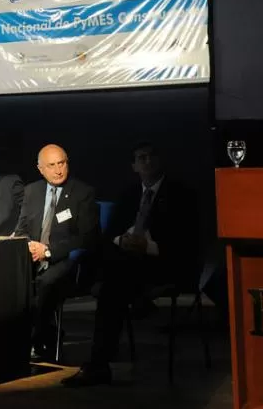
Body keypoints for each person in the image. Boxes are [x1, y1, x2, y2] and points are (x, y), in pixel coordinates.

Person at [62, 142, 202, 386]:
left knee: (111, 286)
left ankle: (98, 364)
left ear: (160, 160)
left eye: (151, 156)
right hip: (129, 262)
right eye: (141, 158)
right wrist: (122, 239)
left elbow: (186, 245)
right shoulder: (128, 194)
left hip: (164, 264)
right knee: (109, 265)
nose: (147, 161)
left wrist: (146, 246)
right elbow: (111, 234)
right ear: (134, 166)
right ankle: (130, 301)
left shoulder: (182, 194)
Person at [13, 144, 98, 360]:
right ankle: (18, 336)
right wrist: (30, 245)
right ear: (41, 169)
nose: (58, 170)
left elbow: (87, 237)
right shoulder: (32, 191)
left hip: (66, 260)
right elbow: (22, 229)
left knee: (47, 282)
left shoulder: (83, 193)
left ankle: (36, 339)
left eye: (62, 163)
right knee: (6, 277)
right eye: (51, 165)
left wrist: (48, 251)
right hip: (33, 256)